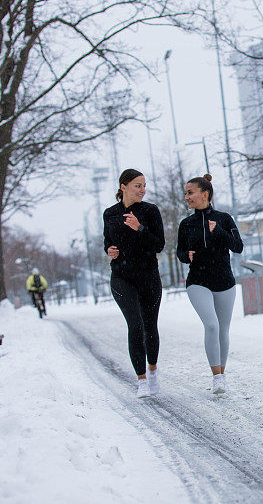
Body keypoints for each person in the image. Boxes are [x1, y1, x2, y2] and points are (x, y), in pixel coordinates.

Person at [176, 174, 243, 394]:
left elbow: (238, 247)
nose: (186, 197)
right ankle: (216, 377)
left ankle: (221, 376)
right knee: (212, 325)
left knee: (223, 329)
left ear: (205, 194)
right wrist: (188, 256)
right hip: (198, 281)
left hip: (224, 281)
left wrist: (220, 232)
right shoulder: (186, 224)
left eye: (190, 192)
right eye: (185, 193)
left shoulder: (224, 218)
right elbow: (180, 252)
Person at [103, 169, 166, 398]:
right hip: (122, 276)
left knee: (150, 326)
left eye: (144, 185)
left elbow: (158, 244)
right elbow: (107, 242)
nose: (142, 190)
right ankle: (140, 380)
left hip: (148, 275)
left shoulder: (150, 211)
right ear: (123, 186)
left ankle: (152, 371)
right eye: (138, 185)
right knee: (135, 325)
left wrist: (139, 228)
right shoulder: (110, 214)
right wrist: (108, 250)